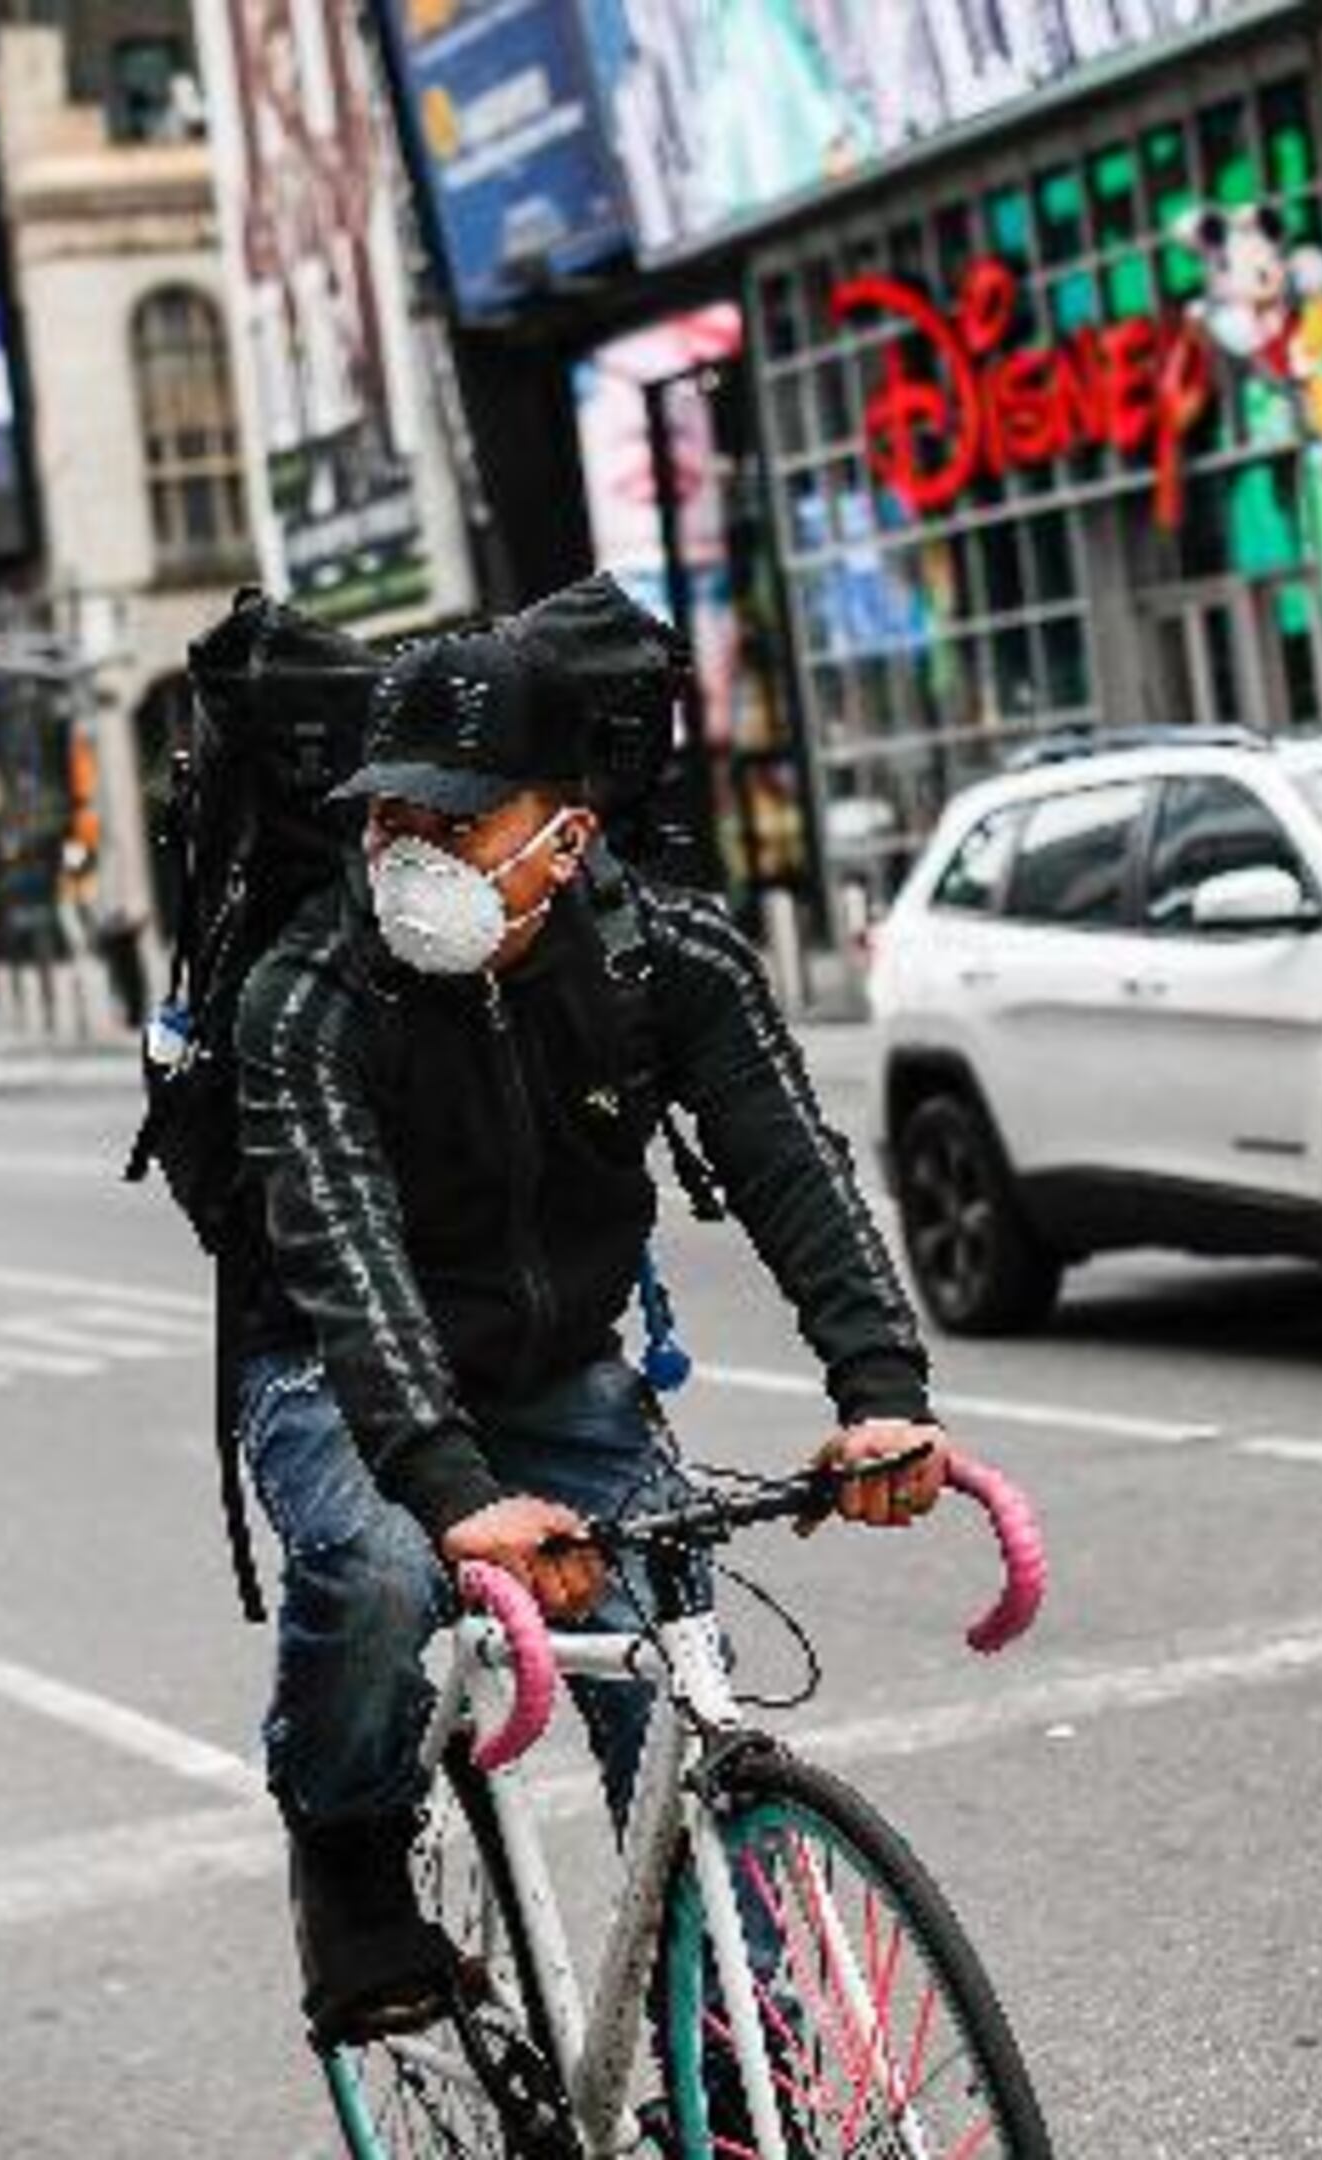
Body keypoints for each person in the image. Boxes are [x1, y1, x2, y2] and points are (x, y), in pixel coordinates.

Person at [232, 622, 960, 2046]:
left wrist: (882, 1387)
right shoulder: (307, 993)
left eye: (453, 815)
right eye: (388, 809)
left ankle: (751, 2067)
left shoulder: (666, 956)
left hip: (562, 1376)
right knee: (380, 1570)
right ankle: (349, 1860)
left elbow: (791, 1166)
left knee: (676, 1673)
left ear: (564, 839)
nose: (405, 846)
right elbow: (348, 1262)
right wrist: (454, 1498)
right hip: (336, 1365)